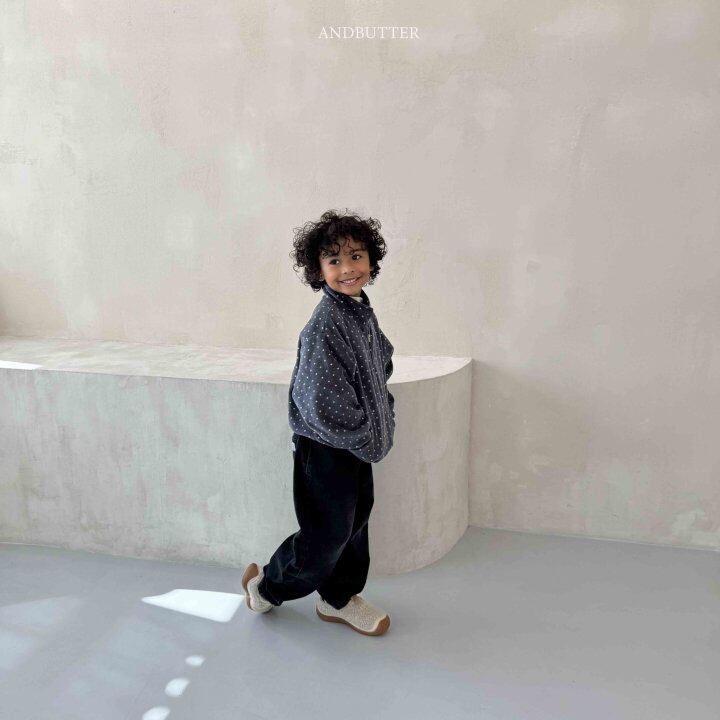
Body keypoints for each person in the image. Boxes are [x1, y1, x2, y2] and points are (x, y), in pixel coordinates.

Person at [241, 209, 396, 636]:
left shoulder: (359, 311)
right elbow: (319, 400)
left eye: (356, 256)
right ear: (318, 269)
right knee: (325, 536)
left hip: (355, 444)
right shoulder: (325, 323)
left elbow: (381, 362)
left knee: (355, 524)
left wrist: (384, 412)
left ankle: (337, 599)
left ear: (371, 259)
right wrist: (366, 433)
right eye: (334, 260)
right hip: (326, 447)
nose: (348, 269)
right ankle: (266, 587)